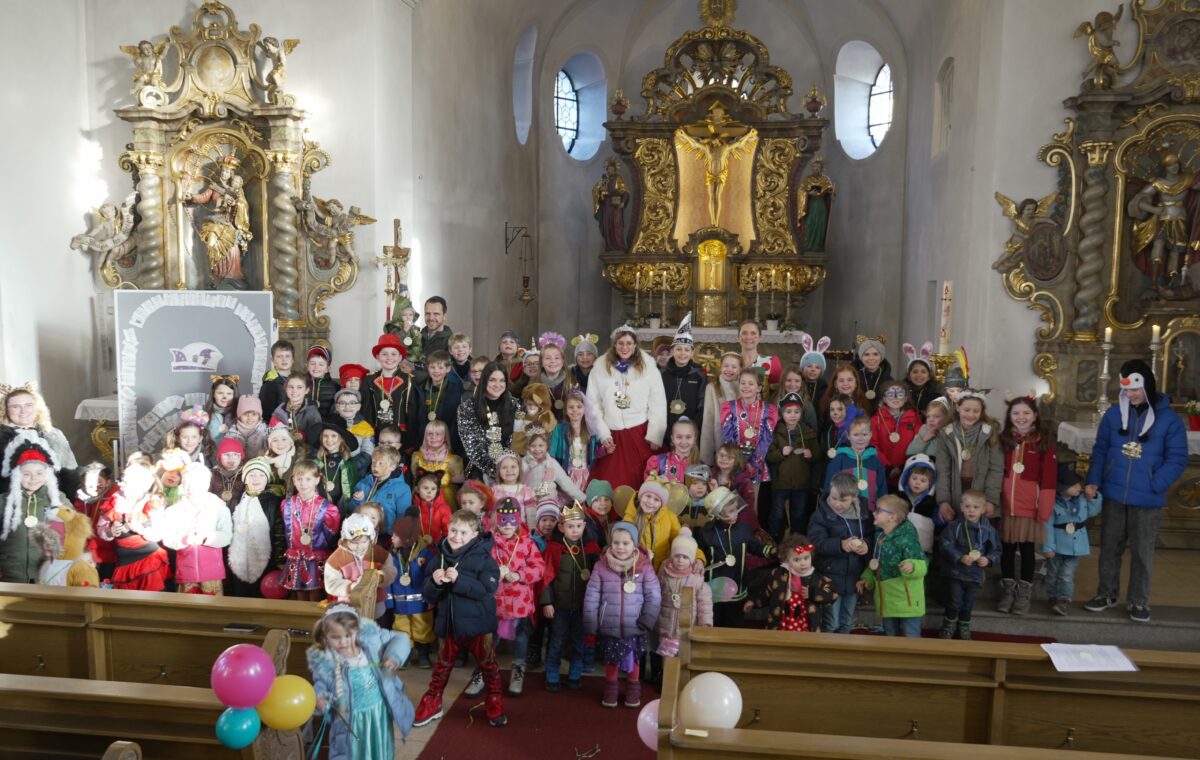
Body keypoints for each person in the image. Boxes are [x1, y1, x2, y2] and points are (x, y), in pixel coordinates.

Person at [1083, 360, 1189, 623]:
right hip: (1114, 494)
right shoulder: (1112, 415)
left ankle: (1139, 601)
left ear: (1147, 387)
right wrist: (1095, 480)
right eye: (1126, 391)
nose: (1130, 396)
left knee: (1142, 552)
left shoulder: (1169, 420)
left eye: (1135, 391)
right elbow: (1100, 450)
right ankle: (1106, 594)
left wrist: (1155, 484)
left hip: (1148, 499)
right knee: (1109, 548)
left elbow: (1177, 459)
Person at [413, 509, 508, 728]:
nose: (456, 536)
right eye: (453, 530)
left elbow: (487, 588)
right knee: (442, 667)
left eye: (463, 532)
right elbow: (427, 595)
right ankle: (432, 702)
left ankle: (494, 701)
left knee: (489, 666)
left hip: (478, 625)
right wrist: (435, 583)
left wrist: (459, 581)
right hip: (449, 625)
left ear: (475, 534)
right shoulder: (439, 557)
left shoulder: (484, 558)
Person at [307, 605, 415, 759]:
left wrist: (393, 657)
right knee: (353, 752)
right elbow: (320, 686)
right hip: (351, 719)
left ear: (357, 630)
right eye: (335, 637)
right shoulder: (326, 661)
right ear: (325, 637)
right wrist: (321, 700)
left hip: (378, 712)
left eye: (348, 635)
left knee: (379, 747)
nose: (343, 642)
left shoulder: (372, 642)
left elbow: (401, 638)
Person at [583, 520, 661, 709]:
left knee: (633, 659)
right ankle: (611, 687)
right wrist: (591, 623)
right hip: (609, 625)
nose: (620, 547)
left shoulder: (644, 566)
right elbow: (592, 595)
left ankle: (633, 688)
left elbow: (654, 596)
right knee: (612, 660)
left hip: (636, 625)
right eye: (616, 543)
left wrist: (647, 619)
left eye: (625, 543)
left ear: (634, 544)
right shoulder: (602, 565)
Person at [586, 324, 668, 490]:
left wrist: (655, 434)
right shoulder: (600, 368)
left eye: (629, 343)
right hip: (612, 436)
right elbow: (593, 405)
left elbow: (657, 402)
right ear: (614, 344)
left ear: (635, 345)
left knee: (643, 482)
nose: (625, 347)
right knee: (612, 484)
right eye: (621, 343)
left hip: (640, 433)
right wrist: (603, 435)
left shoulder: (649, 367)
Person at [996, 395, 1057, 616]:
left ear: (1035, 416)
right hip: (1006, 505)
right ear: (1009, 417)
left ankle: (1024, 593)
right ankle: (1008, 591)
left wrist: (1045, 506)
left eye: (1026, 413)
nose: (1021, 417)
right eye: (1016, 413)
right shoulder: (1002, 439)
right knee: (1007, 549)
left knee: (1028, 550)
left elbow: (1049, 477)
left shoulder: (1043, 440)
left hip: (1030, 506)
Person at [486, 498, 545, 696]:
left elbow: (539, 568)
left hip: (520, 602)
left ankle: (518, 670)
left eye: (512, 520)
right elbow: (480, 567)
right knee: (490, 638)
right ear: (496, 520)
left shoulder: (528, 543)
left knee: (521, 637)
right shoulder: (488, 542)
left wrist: (520, 575)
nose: (508, 525)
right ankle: (484, 671)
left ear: (518, 520)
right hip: (495, 601)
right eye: (503, 520)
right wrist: (494, 574)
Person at [540, 501, 601, 690]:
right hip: (559, 606)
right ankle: (552, 671)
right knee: (557, 640)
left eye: (578, 526)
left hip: (583, 606)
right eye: (570, 526)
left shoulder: (591, 550)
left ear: (584, 526)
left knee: (578, 641)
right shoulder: (553, 548)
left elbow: (599, 579)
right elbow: (545, 578)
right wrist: (547, 602)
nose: (575, 530)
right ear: (561, 526)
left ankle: (575, 670)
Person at [696, 487, 773, 628]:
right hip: (714, 592)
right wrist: (699, 561)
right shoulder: (706, 532)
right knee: (713, 624)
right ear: (717, 513)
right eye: (730, 512)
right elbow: (700, 554)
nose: (736, 514)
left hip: (739, 589)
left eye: (736, 509)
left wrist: (772, 551)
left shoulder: (743, 528)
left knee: (734, 625)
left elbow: (755, 547)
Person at [808, 473, 871, 633]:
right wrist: (840, 544)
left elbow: (871, 535)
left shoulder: (864, 514)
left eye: (843, 500)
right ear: (830, 490)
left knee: (846, 623)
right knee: (831, 623)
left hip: (853, 576)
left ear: (854, 496)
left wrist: (866, 546)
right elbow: (815, 543)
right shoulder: (820, 515)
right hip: (829, 577)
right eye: (834, 498)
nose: (837, 504)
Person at [857, 495, 926, 637]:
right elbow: (876, 563)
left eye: (878, 510)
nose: (874, 513)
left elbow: (923, 564)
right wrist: (867, 579)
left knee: (911, 637)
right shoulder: (879, 536)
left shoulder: (907, 539)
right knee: (890, 636)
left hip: (906, 600)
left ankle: (913, 659)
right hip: (886, 598)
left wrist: (912, 566)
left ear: (892, 517)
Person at [0, 431, 65, 583]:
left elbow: (73, 529)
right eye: (27, 474)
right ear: (17, 475)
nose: (33, 478)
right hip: (9, 574)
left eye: (39, 473)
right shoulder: (3, 501)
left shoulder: (58, 499)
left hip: (46, 575)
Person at [160, 463, 232, 595]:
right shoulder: (173, 510)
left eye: (196, 482)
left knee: (212, 612)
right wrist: (185, 539)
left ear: (206, 484)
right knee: (187, 612)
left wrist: (207, 537)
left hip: (212, 575)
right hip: (186, 573)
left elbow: (227, 536)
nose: (191, 487)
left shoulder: (219, 507)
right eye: (187, 482)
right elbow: (167, 538)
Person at [98, 462, 171, 591]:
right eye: (121, 480)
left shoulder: (151, 503)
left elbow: (159, 534)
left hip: (148, 560)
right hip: (124, 562)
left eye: (125, 482)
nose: (120, 484)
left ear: (139, 485)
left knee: (153, 601)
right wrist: (110, 532)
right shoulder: (114, 501)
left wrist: (138, 528)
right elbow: (100, 529)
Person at [932, 392, 1003, 525]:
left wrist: (991, 500)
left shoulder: (989, 433)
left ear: (981, 411)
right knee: (956, 534)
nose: (970, 415)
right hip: (955, 490)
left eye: (976, 411)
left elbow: (996, 469)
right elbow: (942, 469)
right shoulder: (946, 433)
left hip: (981, 490)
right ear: (958, 408)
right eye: (966, 410)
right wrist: (943, 501)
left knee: (979, 535)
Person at [938, 490, 1000, 640]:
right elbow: (945, 545)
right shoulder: (954, 526)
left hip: (975, 575)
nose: (971, 510)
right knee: (954, 602)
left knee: (968, 604)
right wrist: (959, 557)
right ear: (961, 507)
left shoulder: (988, 529)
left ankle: (964, 626)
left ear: (984, 509)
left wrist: (988, 559)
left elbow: (996, 549)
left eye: (976, 507)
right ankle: (948, 626)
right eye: (967, 506)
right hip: (955, 573)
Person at [744, 534, 836, 632]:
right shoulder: (778, 574)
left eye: (806, 558)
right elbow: (768, 593)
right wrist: (753, 602)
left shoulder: (816, 577)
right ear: (786, 560)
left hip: (806, 624)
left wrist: (813, 593)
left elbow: (833, 595)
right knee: (780, 644)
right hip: (781, 622)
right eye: (797, 559)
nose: (803, 563)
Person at [1044, 463, 1103, 616]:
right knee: (1052, 574)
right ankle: (1052, 595)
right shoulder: (1052, 503)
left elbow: (1094, 511)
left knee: (1066, 575)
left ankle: (1064, 600)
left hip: (1076, 545)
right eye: (1073, 485)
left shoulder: (1082, 499)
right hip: (1057, 545)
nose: (1078, 487)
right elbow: (1047, 526)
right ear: (1061, 488)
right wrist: (1048, 546)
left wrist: (1093, 497)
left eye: (1078, 484)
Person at [282, 460, 342, 602]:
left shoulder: (327, 508)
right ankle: (298, 623)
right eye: (299, 479)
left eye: (308, 479)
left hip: (316, 558)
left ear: (317, 479)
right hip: (295, 556)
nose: (303, 483)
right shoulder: (287, 504)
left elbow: (331, 536)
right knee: (298, 594)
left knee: (315, 595)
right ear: (294, 480)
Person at [227, 457, 285, 598]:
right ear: (245, 479)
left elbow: (279, 533)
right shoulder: (235, 501)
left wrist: (280, 562)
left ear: (267, 479)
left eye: (261, 475)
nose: (256, 478)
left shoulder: (274, 502)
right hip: (238, 561)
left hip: (266, 561)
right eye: (251, 475)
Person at [387, 507, 437, 667]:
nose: (392, 538)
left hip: (420, 603)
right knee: (401, 629)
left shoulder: (426, 554)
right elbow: (387, 578)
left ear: (407, 538)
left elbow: (431, 577)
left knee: (422, 627)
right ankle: (405, 654)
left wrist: (431, 597)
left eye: (396, 535)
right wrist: (389, 601)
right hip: (400, 602)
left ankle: (423, 654)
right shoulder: (392, 555)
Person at [324, 513, 397, 620]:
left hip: (377, 607)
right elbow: (331, 583)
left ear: (371, 538)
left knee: (377, 632)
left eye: (364, 542)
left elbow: (390, 570)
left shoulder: (380, 554)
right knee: (353, 635)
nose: (359, 546)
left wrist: (381, 577)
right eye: (354, 543)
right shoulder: (336, 559)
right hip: (348, 608)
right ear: (345, 540)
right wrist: (351, 587)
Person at [766, 392, 818, 538]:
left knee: (799, 514)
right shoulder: (775, 432)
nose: (793, 415)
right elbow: (768, 456)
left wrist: (811, 454)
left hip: (801, 484)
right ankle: (774, 543)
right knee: (776, 514)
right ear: (782, 413)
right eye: (788, 411)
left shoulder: (808, 432)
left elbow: (818, 454)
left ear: (801, 413)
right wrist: (781, 452)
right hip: (780, 483)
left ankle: (797, 542)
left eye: (797, 411)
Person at [720, 367, 778, 496]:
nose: (746, 386)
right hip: (734, 464)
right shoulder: (729, 407)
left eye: (751, 384)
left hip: (756, 466)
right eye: (743, 383)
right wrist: (739, 462)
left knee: (752, 504)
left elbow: (766, 440)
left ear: (759, 388)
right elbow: (728, 438)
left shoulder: (769, 410)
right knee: (731, 503)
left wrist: (753, 463)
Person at [458, 363, 521, 480]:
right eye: (492, 380)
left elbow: (519, 441)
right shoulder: (467, 408)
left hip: (512, 469)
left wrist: (511, 470)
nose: (498, 385)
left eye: (502, 380)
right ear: (484, 381)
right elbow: (474, 449)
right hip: (481, 469)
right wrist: (497, 472)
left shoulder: (515, 405)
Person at [657, 527, 712, 654]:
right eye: (677, 556)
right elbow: (656, 597)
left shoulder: (697, 579)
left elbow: (705, 605)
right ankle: (660, 673)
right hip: (664, 627)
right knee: (664, 660)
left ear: (692, 560)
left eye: (685, 557)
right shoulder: (664, 572)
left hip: (687, 629)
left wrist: (705, 624)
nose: (680, 560)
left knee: (683, 659)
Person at [823, 415, 887, 512]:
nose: (860, 439)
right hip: (844, 512)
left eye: (864, 435)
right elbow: (829, 487)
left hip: (870, 512)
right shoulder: (839, 459)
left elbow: (882, 489)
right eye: (856, 435)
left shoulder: (875, 462)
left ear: (870, 434)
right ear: (848, 435)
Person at [623, 476, 684, 572]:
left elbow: (682, 540)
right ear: (641, 495)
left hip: (663, 571)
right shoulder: (630, 517)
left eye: (656, 500)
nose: (650, 502)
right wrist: (641, 553)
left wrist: (697, 557)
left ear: (661, 504)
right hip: (638, 571)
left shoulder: (669, 517)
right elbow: (623, 543)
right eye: (648, 496)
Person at [408, 350, 463, 457]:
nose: (436, 371)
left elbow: (456, 420)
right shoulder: (419, 388)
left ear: (448, 369)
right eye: (432, 367)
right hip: (423, 439)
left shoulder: (456, 390)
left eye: (441, 368)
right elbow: (413, 416)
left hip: (446, 441)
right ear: (427, 367)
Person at [363, 334, 415, 446]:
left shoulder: (409, 380)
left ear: (400, 357)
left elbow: (412, 411)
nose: (389, 358)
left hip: (401, 436)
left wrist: (410, 440)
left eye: (394, 354)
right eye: (384, 354)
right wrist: (368, 436)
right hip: (376, 435)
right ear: (377, 357)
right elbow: (366, 411)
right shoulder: (369, 380)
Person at [661, 313, 707, 434]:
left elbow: (702, 404)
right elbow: (657, 403)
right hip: (665, 427)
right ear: (672, 351)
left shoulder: (699, 375)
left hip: (690, 430)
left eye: (687, 350)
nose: (682, 353)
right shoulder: (662, 374)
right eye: (678, 349)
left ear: (692, 352)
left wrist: (694, 428)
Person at [549, 389, 604, 491]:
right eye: (571, 407)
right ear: (565, 410)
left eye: (579, 407)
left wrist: (603, 450)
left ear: (585, 409)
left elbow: (595, 453)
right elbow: (552, 453)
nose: (575, 410)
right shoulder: (559, 428)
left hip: (586, 474)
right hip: (566, 474)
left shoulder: (590, 429)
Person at [870, 382, 921, 489]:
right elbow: (873, 445)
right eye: (890, 394)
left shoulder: (915, 419)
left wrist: (905, 466)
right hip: (882, 471)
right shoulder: (876, 420)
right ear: (883, 398)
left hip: (908, 471)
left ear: (906, 398)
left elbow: (919, 443)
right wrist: (888, 467)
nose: (895, 397)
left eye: (900, 394)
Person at [350, 446, 413, 531]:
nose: (375, 466)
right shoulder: (363, 483)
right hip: (363, 531)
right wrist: (357, 501)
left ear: (393, 467)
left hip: (387, 535)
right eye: (373, 462)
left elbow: (403, 516)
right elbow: (352, 510)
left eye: (381, 463)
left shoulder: (403, 489)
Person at [700, 352, 743, 464]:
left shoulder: (744, 388)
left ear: (739, 370)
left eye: (734, 367)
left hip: (740, 442)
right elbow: (708, 421)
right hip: (719, 441)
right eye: (726, 366)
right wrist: (706, 455)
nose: (729, 369)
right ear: (720, 367)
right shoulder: (712, 388)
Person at [411, 420, 464, 508]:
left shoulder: (453, 460)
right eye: (430, 434)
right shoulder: (417, 457)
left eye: (438, 434)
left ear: (445, 437)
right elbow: (415, 477)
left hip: (445, 500)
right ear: (425, 436)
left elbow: (458, 481)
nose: (433, 437)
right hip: (422, 498)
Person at [271, 372, 323, 446]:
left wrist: (303, 436)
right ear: (286, 389)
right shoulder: (279, 411)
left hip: (306, 451)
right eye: (291, 387)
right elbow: (273, 434)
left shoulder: (312, 411)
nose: (294, 391)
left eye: (299, 387)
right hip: (282, 449)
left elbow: (317, 437)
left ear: (307, 390)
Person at [644, 417, 702, 484]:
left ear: (694, 439)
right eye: (679, 437)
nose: (683, 441)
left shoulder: (699, 466)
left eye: (688, 437)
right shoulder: (659, 461)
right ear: (673, 439)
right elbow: (649, 488)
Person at [410, 470, 452, 548]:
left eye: (433, 489)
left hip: (437, 549)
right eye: (426, 488)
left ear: (437, 491)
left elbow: (448, 531)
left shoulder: (443, 508)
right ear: (417, 489)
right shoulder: (412, 507)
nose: (429, 492)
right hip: (416, 548)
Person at [736, 319, 782, 389]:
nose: (748, 337)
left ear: (759, 338)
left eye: (753, 333)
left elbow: (777, 392)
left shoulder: (771, 362)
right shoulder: (731, 362)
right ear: (738, 338)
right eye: (744, 333)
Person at [902, 342, 944, 417]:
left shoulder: (936, 393)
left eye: (923, 372)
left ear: (929, 376)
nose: (919, 375)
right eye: (915, 372)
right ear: (909, 376)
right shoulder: (902, 392)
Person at [259, 339, 295, 422]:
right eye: (279, 356)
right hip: (278, 426)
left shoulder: (298, 379)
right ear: (273, 360)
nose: (284, 359)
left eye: (287, 356)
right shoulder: (269, 384)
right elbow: (266, 414)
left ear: (293, 359)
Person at [854, 336, 893, 413]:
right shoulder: (852, 378)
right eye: (866, 354)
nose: (871, 358)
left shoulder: (889, 381)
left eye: (875, 354)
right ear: (861, 357)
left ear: (881, 356)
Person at [306, 344, 341, 421]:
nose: (316, 367)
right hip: (303, 426)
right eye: (312, 363)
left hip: (325, 426)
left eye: (321, 364)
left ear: (327, 369)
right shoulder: (300, 384)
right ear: (307, 366)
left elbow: (335, 412)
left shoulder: (336, 388)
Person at [209, 437, 245, 509]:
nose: (231, 458)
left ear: (241, 457)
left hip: (239, 513)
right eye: (226, 454)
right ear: (220, 457)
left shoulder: (246, 474)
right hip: (217, 512)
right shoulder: (211, 474)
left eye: (235, 454)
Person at [797, 333, 830, 410]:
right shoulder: (797, 383)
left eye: (817, 367)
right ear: (802, 368)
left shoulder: (824, 387)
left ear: (821, 371)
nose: (813, 369)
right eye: (809, 366)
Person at [205, 374, 239, 446]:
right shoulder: (203, 414)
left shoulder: (241, 414)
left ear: (234, 395)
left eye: (229, 393)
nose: (224, 397)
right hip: (211, 455)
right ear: (213, 394)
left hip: (234, 456)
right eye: (220, 393)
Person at [420, 296, 453, 361]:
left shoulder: (452, 343)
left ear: (444, 316)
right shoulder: (417, 337)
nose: (431, 318)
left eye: (436, 314)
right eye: (427, 313)